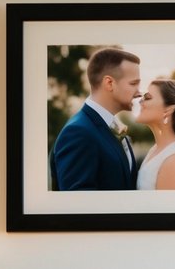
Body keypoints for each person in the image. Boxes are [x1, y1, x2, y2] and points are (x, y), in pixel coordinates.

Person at [50, 47, 141, 191]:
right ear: (109, 83)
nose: (139, 92)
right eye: (133, 83)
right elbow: (78, 205)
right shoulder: (78, 132)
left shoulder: (108, 125)